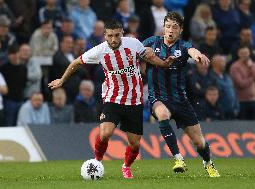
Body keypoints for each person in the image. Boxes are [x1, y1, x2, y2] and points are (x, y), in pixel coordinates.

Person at [48, 19, 173, 179]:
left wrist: (163, 63)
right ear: (104, 36)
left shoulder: (133, 44)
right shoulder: (99, 51)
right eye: (110, 36)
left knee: (135, 144)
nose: (113, 39)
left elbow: (148, 57)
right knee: (105, 133)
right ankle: (97, 161)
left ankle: (126, 166)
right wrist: (62, 80)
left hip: (134, 100)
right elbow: (76, 62)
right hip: (112, 98)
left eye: (117, 35)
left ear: (121, 33)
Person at [142, 12, 220, 177]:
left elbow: (192, 50)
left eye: (175, 27)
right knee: (162, 114)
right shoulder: (151, 42)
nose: (170, 30)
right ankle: (178, 158)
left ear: (181, 30)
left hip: (181, 101)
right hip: (158, 97)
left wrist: (198, 55)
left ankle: (208, 163)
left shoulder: (183, 46)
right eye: (168, 26)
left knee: (199, 142)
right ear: (163, 27)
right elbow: (135, 51)